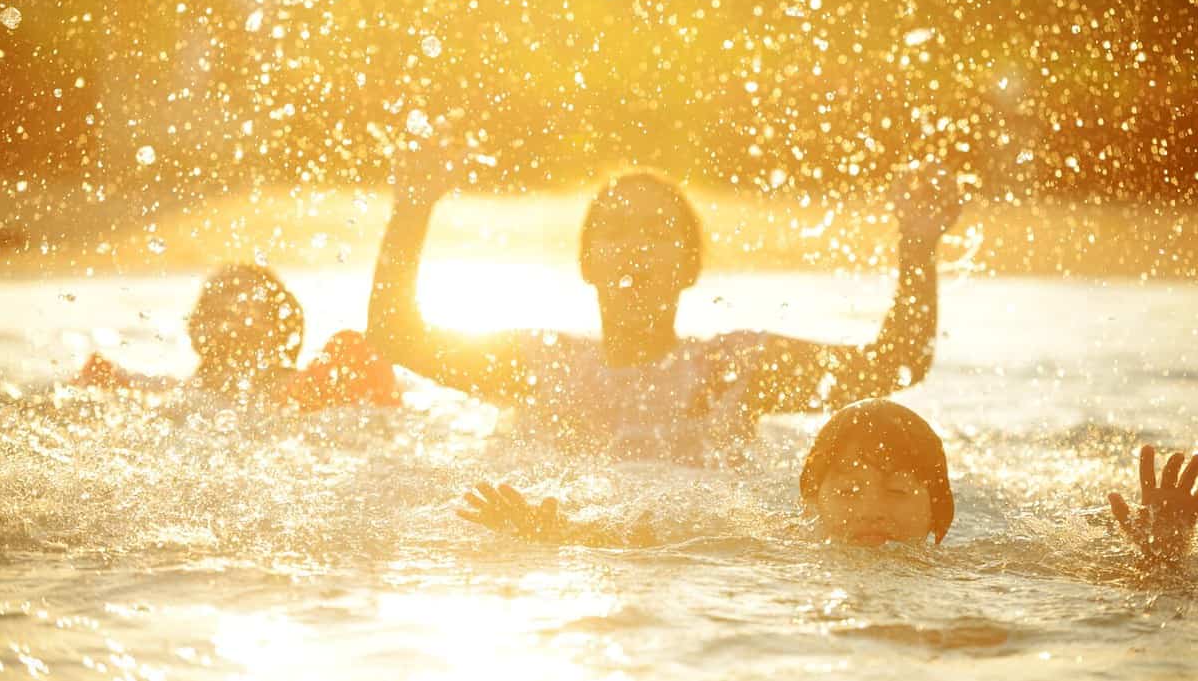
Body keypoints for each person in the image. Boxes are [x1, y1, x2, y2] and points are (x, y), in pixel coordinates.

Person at [367, 143, 963, 463]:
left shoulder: (732, 369)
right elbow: (397, 337)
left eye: (656, 233)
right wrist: (412, 210)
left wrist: (917, 245)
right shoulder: (541, 366)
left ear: (689, 266)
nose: (635, 250)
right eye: (617, 232)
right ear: (586, 263)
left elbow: (897, 365)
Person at [457, 398, 1198, 567]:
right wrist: (552, 533)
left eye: (901, 490)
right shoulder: (768, 545)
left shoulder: (976, 560)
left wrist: (1161, 557)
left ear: (940, 514)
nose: (870, 510)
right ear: (807, 498)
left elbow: (1089, 580)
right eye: (847, 490)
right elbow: (652, 542)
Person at [76, 263, 400, 411]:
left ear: (279, 324)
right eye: (209, 297)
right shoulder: (172, 393)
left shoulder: (314, 384)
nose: (219, 303)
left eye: (236, 292)